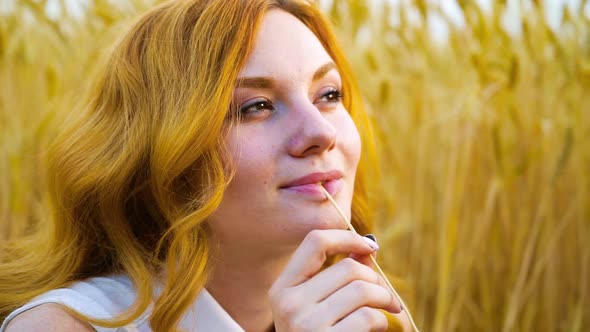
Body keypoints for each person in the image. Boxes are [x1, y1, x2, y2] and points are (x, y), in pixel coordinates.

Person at [0, 0, 411, 331]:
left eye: (329, 94)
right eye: (256, 106)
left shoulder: (368, 317)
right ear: (165, 155)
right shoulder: (62, 326)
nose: (321, 132)